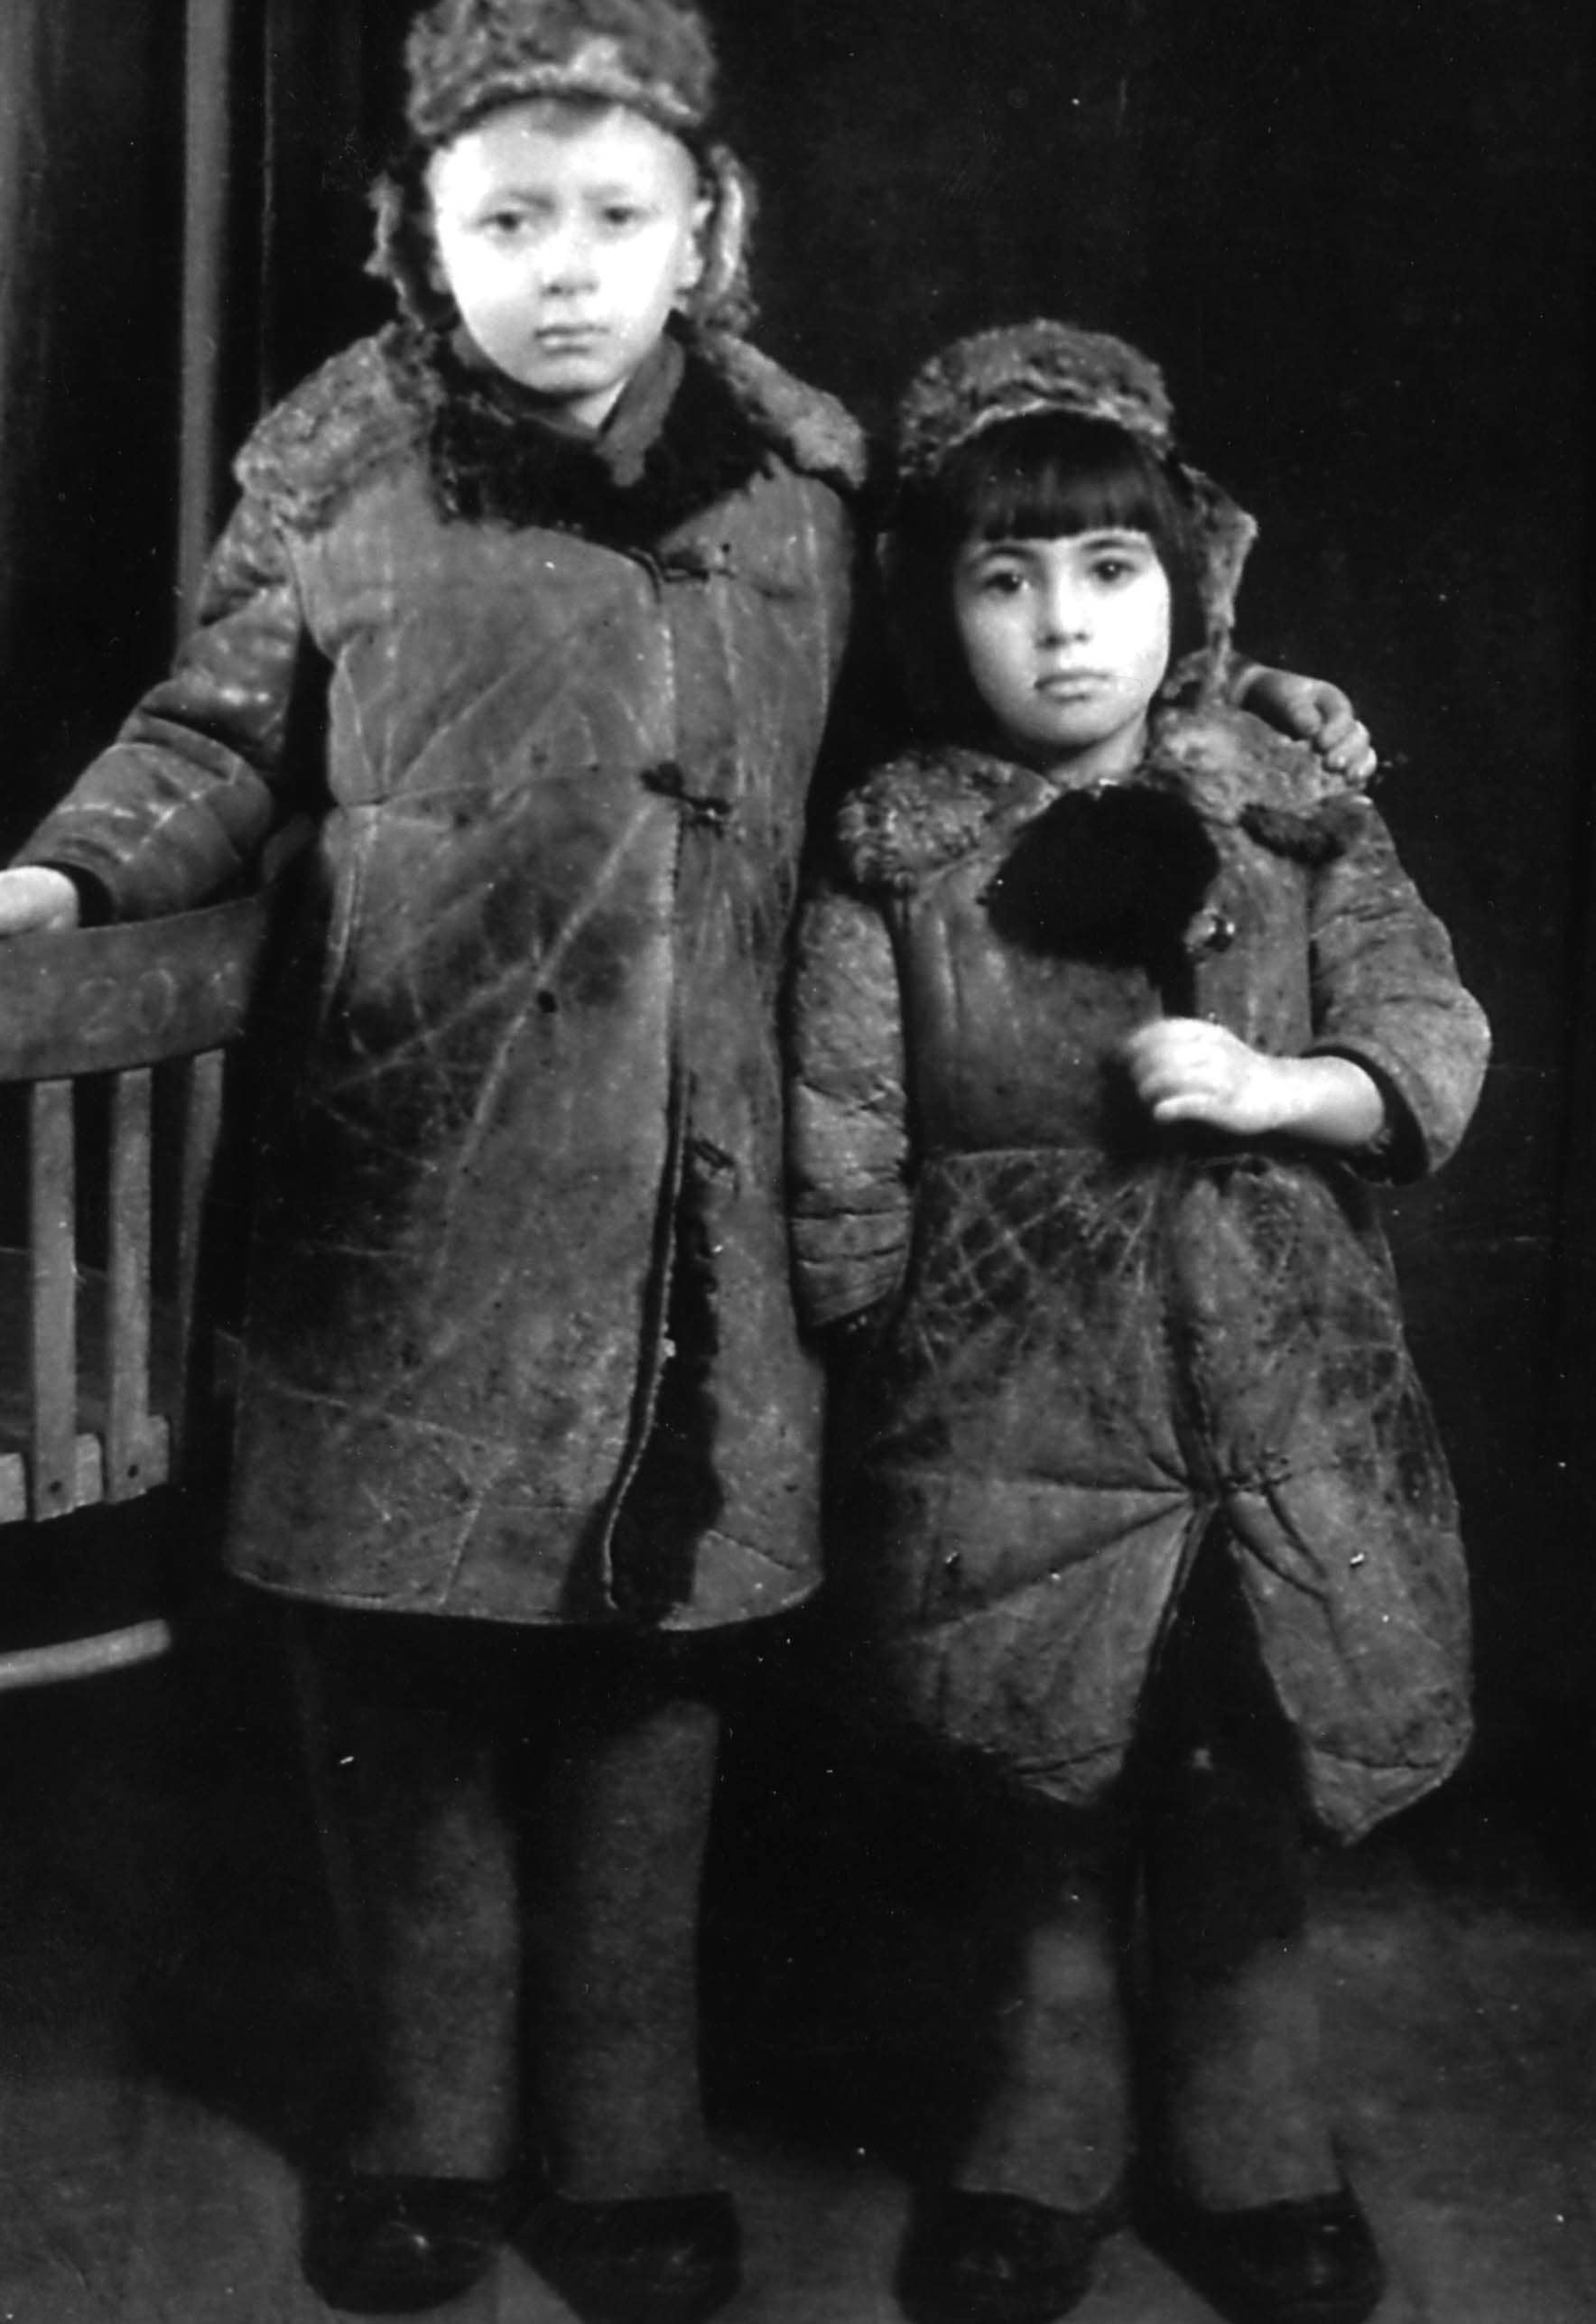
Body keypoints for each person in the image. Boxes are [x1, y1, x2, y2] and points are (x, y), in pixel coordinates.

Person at [0, 4, 1375, 2305]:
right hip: (409, 1168)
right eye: (505, 220)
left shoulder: (805, 493)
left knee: (653, 1688)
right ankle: (433, 2130)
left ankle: (625, 2140)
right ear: (417, 246)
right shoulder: (337, 481)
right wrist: (62, 876)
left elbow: (1004, 693)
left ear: (704, 231)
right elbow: (211, 735)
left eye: (613, 219)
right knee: (405, 1678)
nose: (563, 268)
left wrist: (1240, 700)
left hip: (704, 1184)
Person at [787, 321, 1489, 2324]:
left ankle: (1253, 2126)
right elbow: (838, 1121)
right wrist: (861, 1317)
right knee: (1042, 1795)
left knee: (1239, 1775)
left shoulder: (1289, 819)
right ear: (935, 612)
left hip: (1284, 1392)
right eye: (1002, 583)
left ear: (1185, 585)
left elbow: (1422, 1027)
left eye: (1108, 572)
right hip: (1010, 1411)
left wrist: (1283, 1094)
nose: (1062, 628)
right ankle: (1042, 2124)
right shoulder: (896, 869)